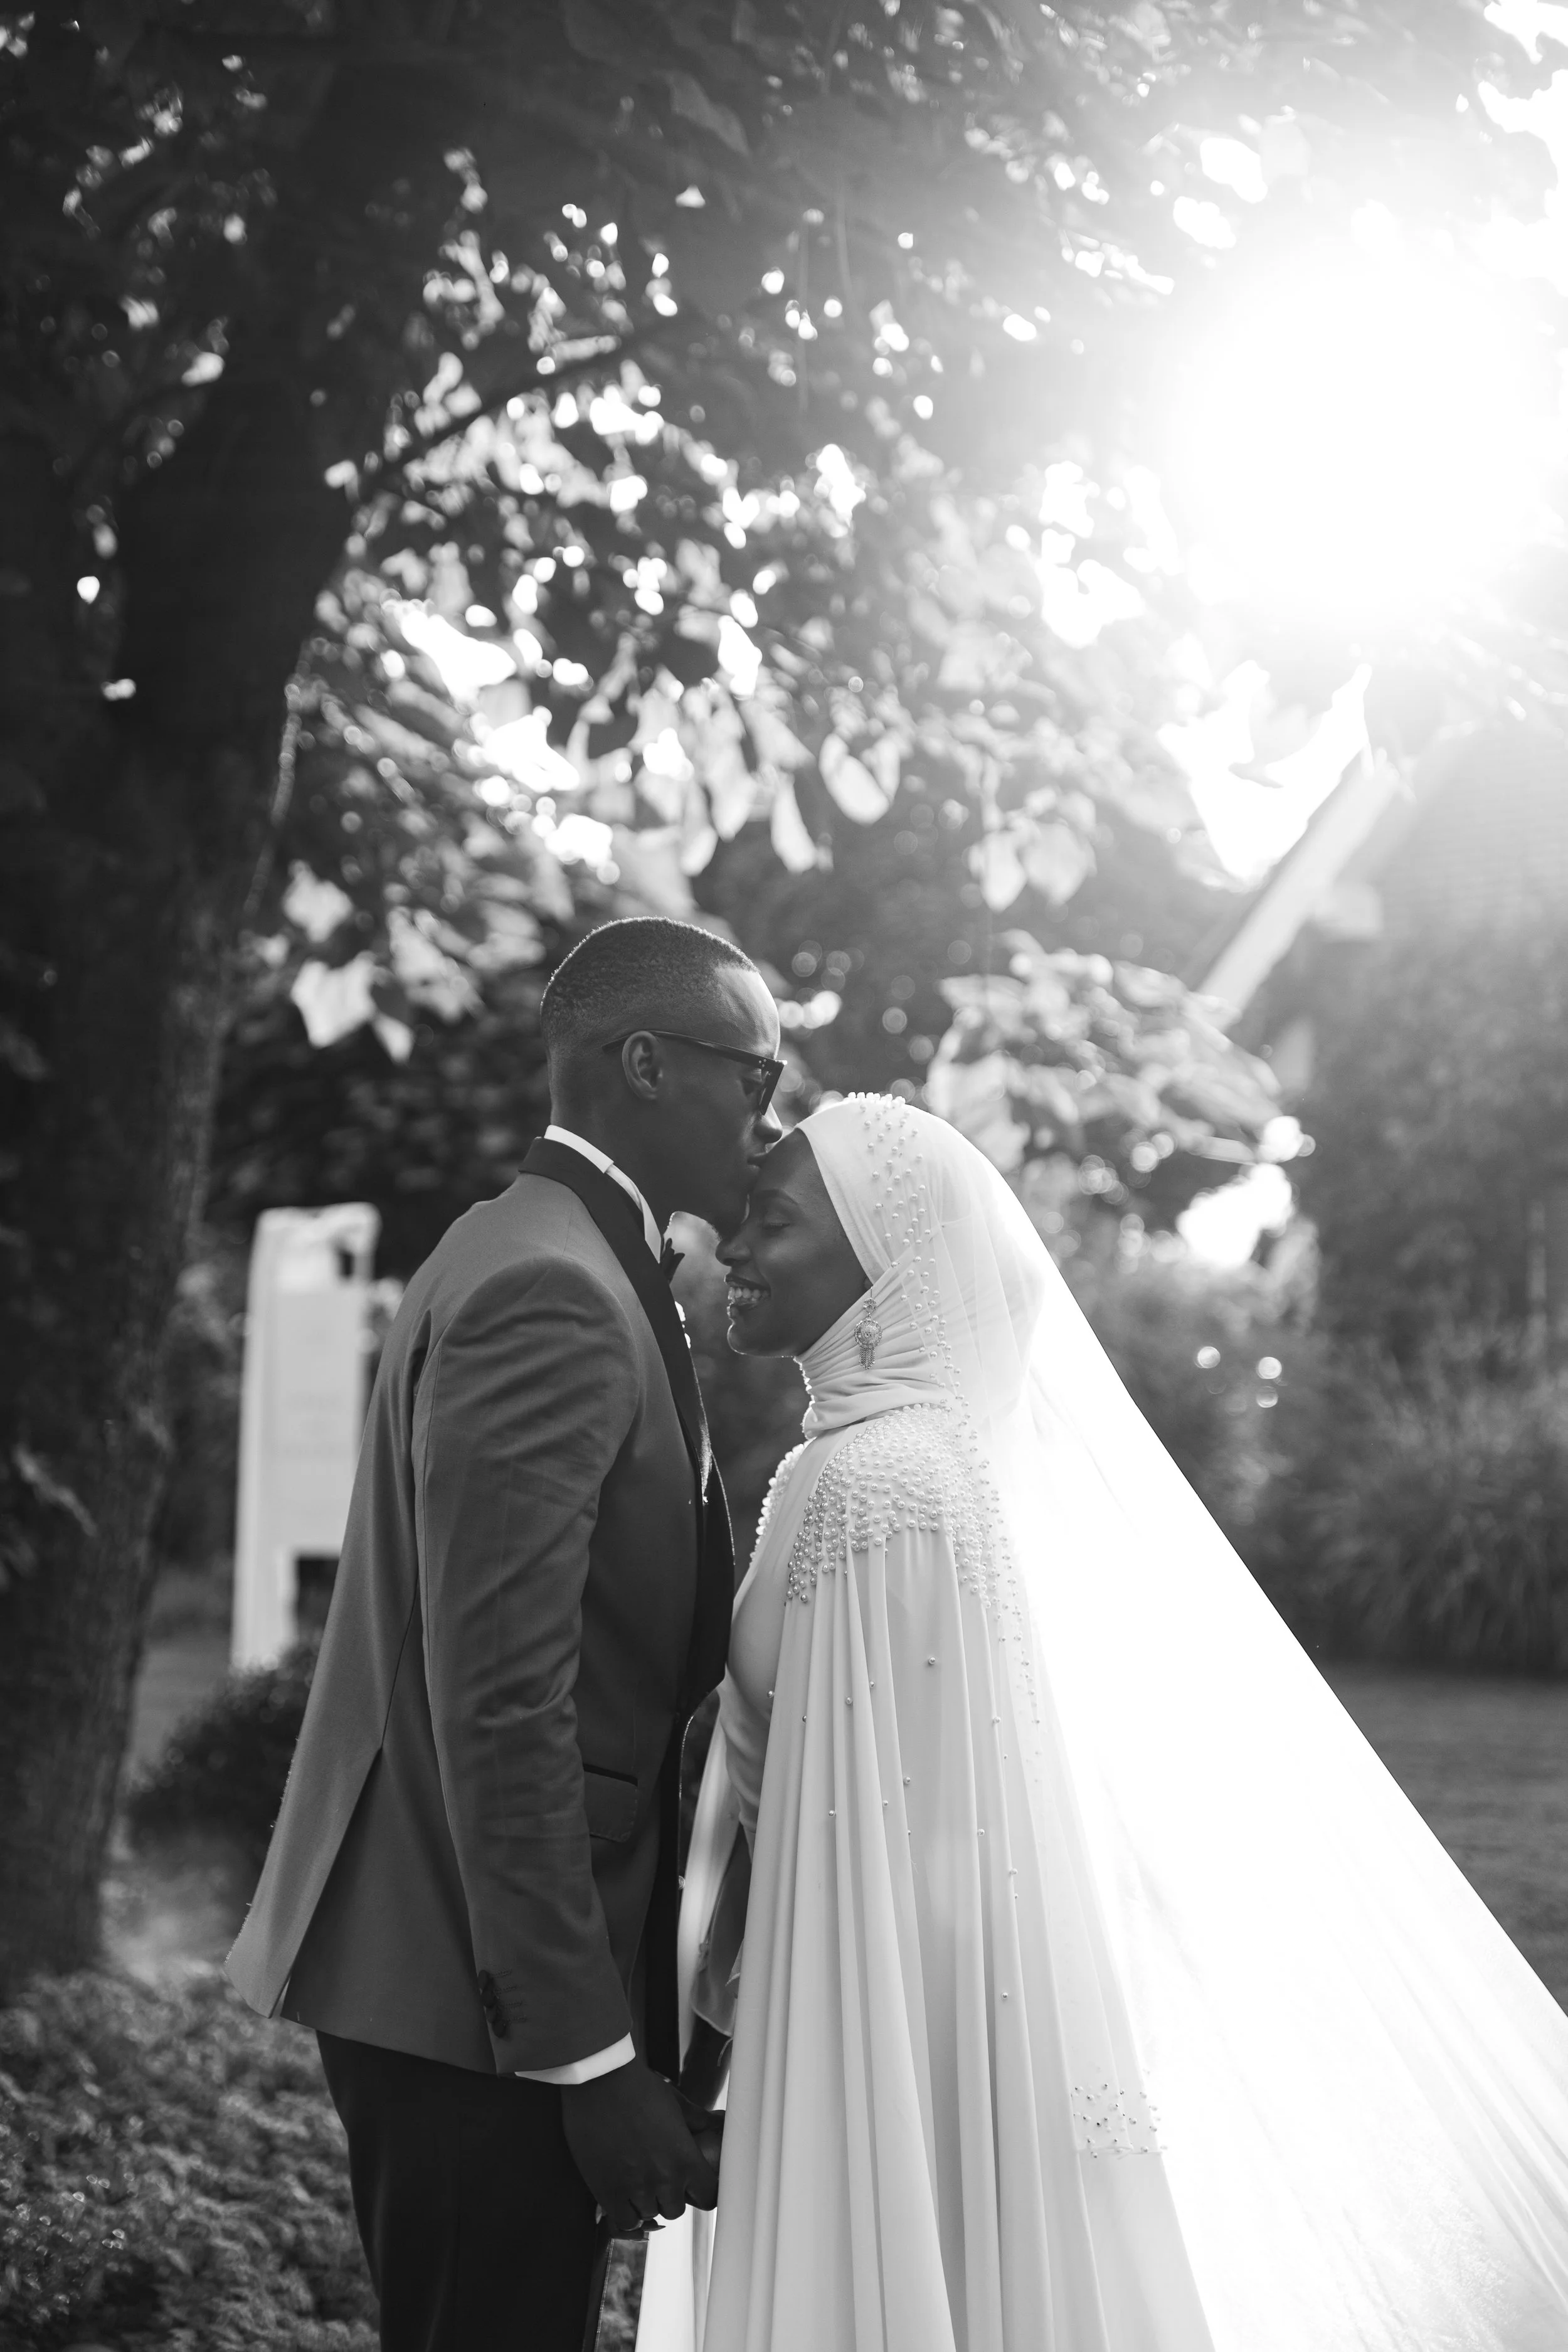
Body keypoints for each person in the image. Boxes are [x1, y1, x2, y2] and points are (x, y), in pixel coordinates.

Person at [640, 1091, 1568, 2352]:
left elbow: (898, 1870)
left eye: (774, 1222)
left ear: (885, 1265)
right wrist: (711, 2065)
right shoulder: (833, 1469)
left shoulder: (888, 1488)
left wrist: (795, 2098)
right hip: (828, 2022)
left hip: (887, 2055)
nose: (733, 1247)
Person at [226, 915, 783, 2352]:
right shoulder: (553, 1291)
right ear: (646, 1062)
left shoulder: (545, 1252)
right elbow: (499, 1703)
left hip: (475, 1990)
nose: (766, 1123)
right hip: (480, 2015)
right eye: (754, 1079)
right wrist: (589, 2060)